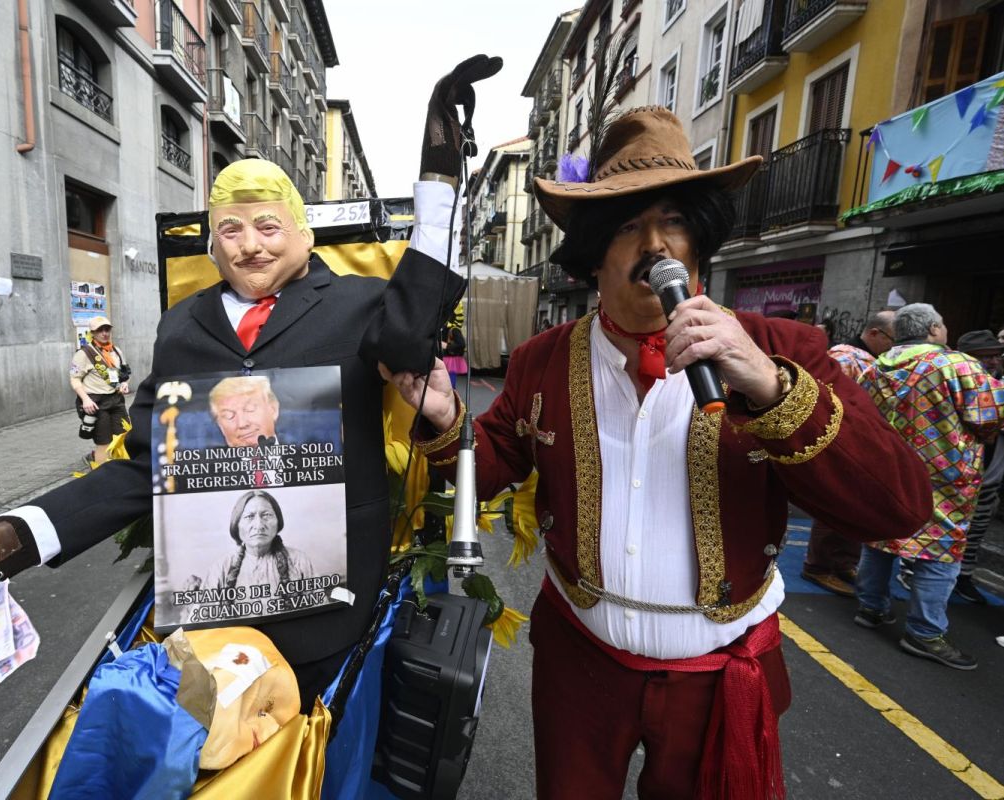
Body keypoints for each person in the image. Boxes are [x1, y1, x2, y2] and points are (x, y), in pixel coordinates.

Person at [0, 56, 502, 705]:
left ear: (302, 234)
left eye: (267, 226)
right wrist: (1, 543)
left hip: (327, 606)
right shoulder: (182, 326)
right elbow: (144, 465)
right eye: (230, 229)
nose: (249, 245)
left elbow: (414, 321)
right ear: (210, 241)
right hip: (210, 609)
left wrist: (439, 177)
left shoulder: (361, 305)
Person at [390, 105, 930, 799]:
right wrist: (444, 418)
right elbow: (494, 461)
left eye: (673, 220)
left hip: (720, 672)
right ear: (593, 253)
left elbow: (897, 508)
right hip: (580, 666)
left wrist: (766, 387)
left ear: (700, 239)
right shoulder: (540, 359)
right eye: (625, 224)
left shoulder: (781, 351)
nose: (655, 245)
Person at [856, 304, 1004, 670]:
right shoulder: (957, 366)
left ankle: (871, 607)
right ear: (934, 328)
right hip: (943, 476)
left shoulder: (877, 366)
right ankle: (924, 631)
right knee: (939, 551)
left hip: (887, 469)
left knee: (880, 537)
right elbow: (989, 418)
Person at [801, 309, 896, 596]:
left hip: (862, 442)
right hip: (839, 441)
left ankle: (843, 563)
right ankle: (818, 566)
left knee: (857, 504)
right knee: (835, 504)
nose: (895, 345)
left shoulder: (872, 359)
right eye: (893, 338)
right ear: (875, 334)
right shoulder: (845, 357)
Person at [951, 329, 1004, 605]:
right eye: (985, 357)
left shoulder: (997, 385)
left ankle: (964, 576)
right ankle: (915, 571)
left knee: (977, 528)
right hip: (955, 476)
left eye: (996, 355)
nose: (993, 361)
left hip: (989, 476)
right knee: (944, 531)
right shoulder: (956, 384)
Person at [195, 490, 316, 595]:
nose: (259, 525)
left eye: (267, 515)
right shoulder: (221, 568)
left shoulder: (299, 561)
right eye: (249, 516)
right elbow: (203, 617)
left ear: (278, 521)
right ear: (236, 524)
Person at [71, 316, 131, 467]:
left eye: (107, 329)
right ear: (92, 333)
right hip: (96, 403)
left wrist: (124, 383)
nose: (104, 333)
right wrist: (85, 400)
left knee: (124, 436)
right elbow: (75, 379)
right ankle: (101, 474)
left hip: (116, 400)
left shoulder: (116, 351)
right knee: (103, 442)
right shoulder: (83, 354)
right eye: (100, 330)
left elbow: (124, 374)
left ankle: (122, 470)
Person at [209, 376, 280, 447]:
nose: (242, 424)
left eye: (249, 409)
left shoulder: (290, 447)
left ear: (273, 409)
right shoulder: (204, 457)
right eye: (228, 415)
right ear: (220, 425)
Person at [441, 304, 467, 389]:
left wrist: (447, 346)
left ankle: (452, 393)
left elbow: (461, 344)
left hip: (450, 360)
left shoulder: (454, 330)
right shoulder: (444, 329)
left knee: (450, 385)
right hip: (443, 358)